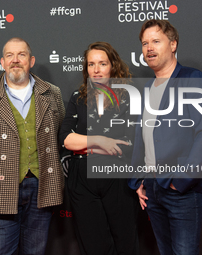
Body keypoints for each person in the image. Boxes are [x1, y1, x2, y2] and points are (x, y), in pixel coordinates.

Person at [0, 37, 65, 255]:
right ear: (2, 62)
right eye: (10, 55)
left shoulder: (52, 93)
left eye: (22, 55)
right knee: (2, 252)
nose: (15, 60)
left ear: (31, 60)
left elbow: (59, 136)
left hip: (41, 186)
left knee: (36, 251)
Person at [128, 19, 202, 255]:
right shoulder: (148, 87)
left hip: (182, 190)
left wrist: (182, 180)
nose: (149, 48)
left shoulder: (192, 78)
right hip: (153, 189)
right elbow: (144, 137)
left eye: (156, 41)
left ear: (173, 44)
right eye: (145, 43)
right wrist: (139, 180)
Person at [59, 42, 139, 255]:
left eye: (102, 64)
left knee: (126, 244)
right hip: (81, 180)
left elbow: (127, 144)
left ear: (113, 66)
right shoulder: (78, 97)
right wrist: (101, 142)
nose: (96, 70)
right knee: (93, 246)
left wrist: (85, 145)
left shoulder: (129, 97)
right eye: (91, 64)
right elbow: (66, 139)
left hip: (118, 178)